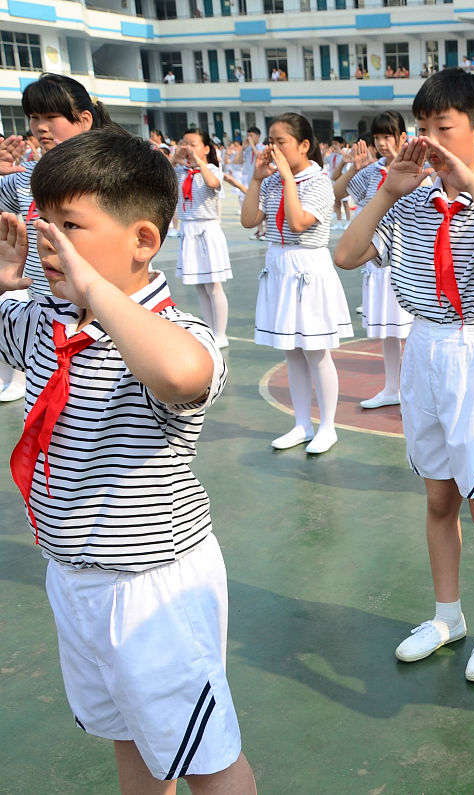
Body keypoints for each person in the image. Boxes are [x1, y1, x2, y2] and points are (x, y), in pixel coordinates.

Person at [0, 128, 257, 793]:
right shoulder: (47, 320)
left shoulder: (171, 333)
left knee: (205, 757)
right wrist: (6, 284)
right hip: (74, 574)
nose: (47, 240)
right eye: (42, 221)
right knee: (132, 737)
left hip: (152, 585)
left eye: (69, 225)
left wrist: (92, 287)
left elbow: (181, 373)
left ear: (143, 240)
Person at [333, 68, 474, 682]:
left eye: (443, 128)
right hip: (424, 346)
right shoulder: (410, 198)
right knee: (439, 497)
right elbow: (346, 255)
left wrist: (472, 186)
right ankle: (448, 616)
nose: (429, 141)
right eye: (421, 128)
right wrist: (387, 193)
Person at [240, 112, 352, 455]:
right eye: (270, 141)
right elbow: (249, 220)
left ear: (304, 145)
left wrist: (288, 179)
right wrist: (257, 179)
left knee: (316, 353)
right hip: (279, 267)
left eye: (280, 142)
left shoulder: (318, 182)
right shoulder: (272, 180)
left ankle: (328, 426)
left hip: (308, 269)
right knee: (292, 352)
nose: (272, 148)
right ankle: (302, 423)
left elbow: (299, 222)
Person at [0, 74, 116, 403]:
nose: (41, 127)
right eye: (34, 117)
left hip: (103, 313)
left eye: (51, 116)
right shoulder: (24, 177)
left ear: (84, 120)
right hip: (44, 312)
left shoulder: (112, 173)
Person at [333, 111, 414, 409]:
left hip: (409, 259)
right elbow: (335, 194)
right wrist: (353, 168)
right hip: (377, 261)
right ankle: (392, 387)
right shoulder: (369, 172)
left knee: (413, 329)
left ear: (402, 137)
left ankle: (414, 390)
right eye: (377, 137)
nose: (381, 143)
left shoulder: (418, 171)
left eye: (387, 136)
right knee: (388, 331)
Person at [172, 127, 232, 348]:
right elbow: (159, 175)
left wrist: (199, 162)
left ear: (206, 148)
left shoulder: (213, 170)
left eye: (193, 144)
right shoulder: (180, 171)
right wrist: (175, 158)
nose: (187, 148)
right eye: (184, 143)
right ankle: (210, 329)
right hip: (188, 229)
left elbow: (213, 183)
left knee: (213, 285)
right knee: (199, 286)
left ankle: (221, 333)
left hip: (207, 230)